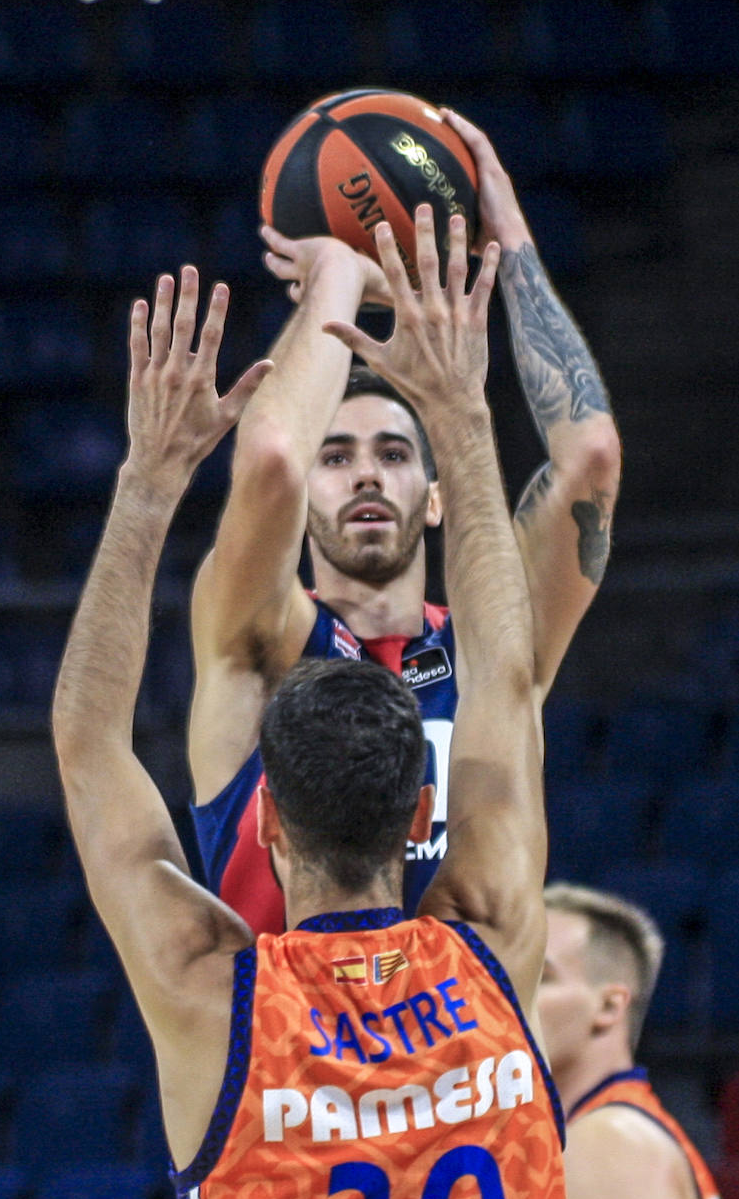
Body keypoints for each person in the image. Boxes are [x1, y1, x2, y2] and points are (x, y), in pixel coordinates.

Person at [52, 219, 567, 1199]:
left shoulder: (213, 996)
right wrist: (461, 410)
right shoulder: (492, 946)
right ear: (423, 816)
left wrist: (149, 478)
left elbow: (84, 742)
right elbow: (504, 676)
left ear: (271, 823)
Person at [187, 109, 622, 933]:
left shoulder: (492, 650)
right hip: (287, 1055)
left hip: (460, 1055)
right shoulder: (261, 640)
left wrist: (508, 238)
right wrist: (339, 273)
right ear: (307, 498)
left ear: (433, 494)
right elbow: (273, 459)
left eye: (391, 453)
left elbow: (590, 455)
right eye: (337, 454)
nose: (362, 474)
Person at [538, 881, 725, 1199]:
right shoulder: (616, 1130)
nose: (509, 993)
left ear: (609, 1006)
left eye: (541, 977)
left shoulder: (607, 1142)